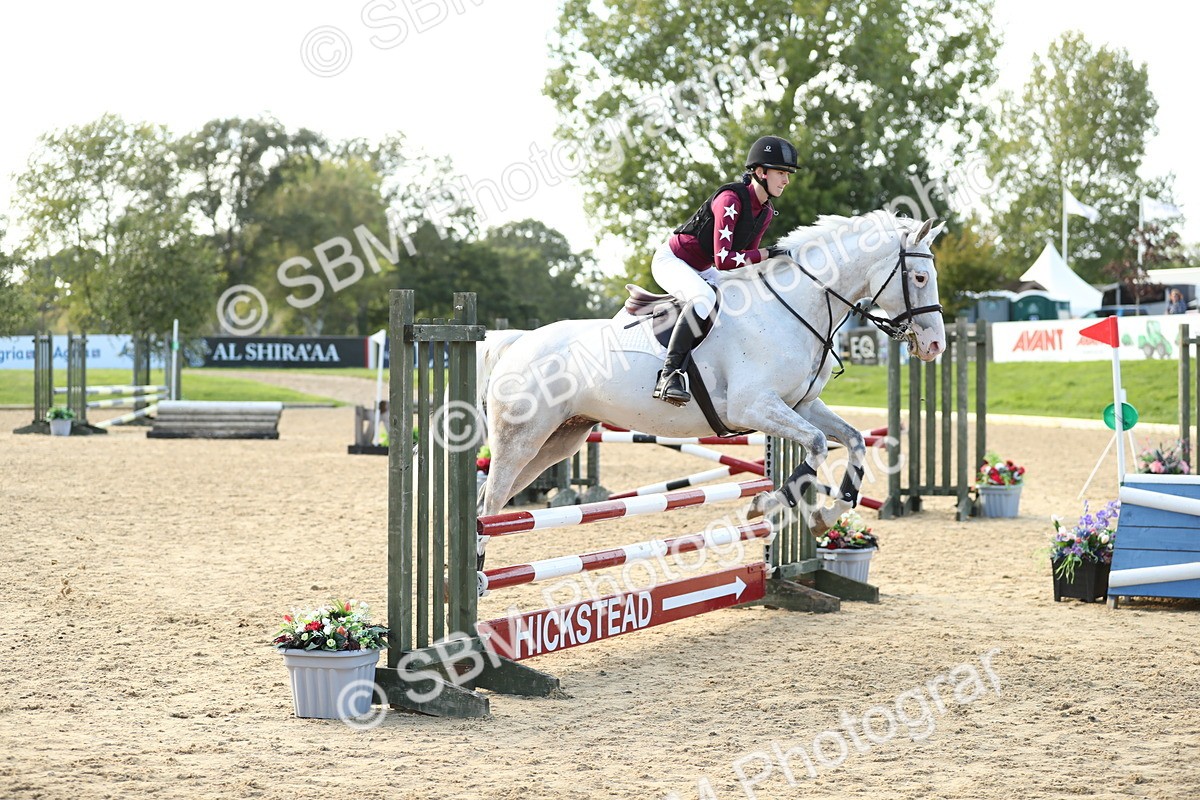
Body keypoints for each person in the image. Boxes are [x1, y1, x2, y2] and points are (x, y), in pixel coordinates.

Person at [650, 135, 798, 405]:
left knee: (742, 297)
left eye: (787, 174)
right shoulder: (731, 199)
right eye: (781, 173)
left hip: (704, 267)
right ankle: (669, 375)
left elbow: (744, 262)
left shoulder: (764, 211)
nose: (786, 180)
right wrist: (768, 253)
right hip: (674, 260)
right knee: (704, 299)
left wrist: (773, 264)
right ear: (760, 172)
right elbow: (725, 261)